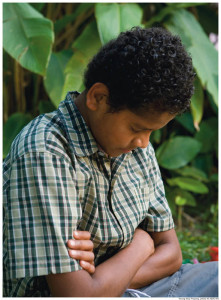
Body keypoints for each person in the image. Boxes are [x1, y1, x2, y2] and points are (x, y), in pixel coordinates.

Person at [3, 27, 218, 297]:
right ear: (98, 98)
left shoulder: (136, 147)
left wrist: (106, 278)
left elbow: (172, 253)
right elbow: (77, 295)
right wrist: (142, 244)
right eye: (137, 128)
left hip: (131, 287)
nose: (144, 143)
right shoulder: (45, 151)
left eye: (152, 132)